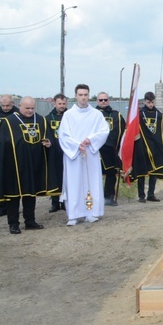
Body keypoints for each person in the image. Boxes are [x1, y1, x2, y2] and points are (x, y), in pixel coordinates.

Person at [0, 96, 48, 234]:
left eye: (32, 108)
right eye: (27, 108)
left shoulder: (41, 120)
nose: (30, 111)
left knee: (30, 193)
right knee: (13, 195)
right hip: (14, 165)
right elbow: (0, 142)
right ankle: (13, 224)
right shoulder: (8, 122)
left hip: (33, 164)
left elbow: (48, 137)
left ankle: (30, 221)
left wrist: (48, 143)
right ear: (19, 106)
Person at [59, 84, 110, 226]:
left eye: (85, 95)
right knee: (74, 183)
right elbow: (63, 135)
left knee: (91, 182)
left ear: (89, 95)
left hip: (90, 153)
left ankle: (91, 212)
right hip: (74, 155)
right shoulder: (68, 115)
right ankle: (74, 215)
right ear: (75, 96)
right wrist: (77, 145)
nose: (83, 97)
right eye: (80, 95)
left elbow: (104, 131)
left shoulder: (96, 114)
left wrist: (90, 140)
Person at [130, 92, 163, 202]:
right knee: (142, 171)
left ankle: (151, 194)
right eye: (148, 102)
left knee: (154, 170)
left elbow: (162, 132)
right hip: (142, 146)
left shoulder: (158, 115)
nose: (150, 105)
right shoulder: (139, 114)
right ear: (144, 101)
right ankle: (141, 195)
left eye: (152, 102)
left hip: (154, 146)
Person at [96, 92, 125, 206]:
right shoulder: (92, 114)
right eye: (101, 100)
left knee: (111, 174)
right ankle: (95, 198)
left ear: (109, 100)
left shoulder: (116, 115)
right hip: (96, 150)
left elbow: (123, 130)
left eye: (105, 100)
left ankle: (109, 197)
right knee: (94, 175)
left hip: (110, 150)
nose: (103, 102)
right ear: (97, 101)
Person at [0, 94, 18, 218]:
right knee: (1, 178)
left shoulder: (18, 115)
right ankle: (1, 206)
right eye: (3, 105)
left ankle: (13, 207)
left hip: (14, 151)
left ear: (13, 104)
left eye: (7, 105)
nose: (5, 108)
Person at [45, 93, 68, 213]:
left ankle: (65, 202)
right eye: (59, 103)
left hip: (67, 152)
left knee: (66, 177)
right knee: (54, 176)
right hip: (54, 152)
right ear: (54, 103)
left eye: (64, 103)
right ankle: (55, 203)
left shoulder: (70, 116)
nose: (62, 106)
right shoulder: (48, 118)